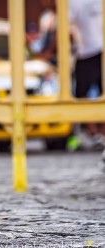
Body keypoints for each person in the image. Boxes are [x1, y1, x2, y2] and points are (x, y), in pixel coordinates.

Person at [70, 0, 105, 148]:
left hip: (87, 51)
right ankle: (100, 132)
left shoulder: (73, 2)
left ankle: (93, 132)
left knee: (81, 93)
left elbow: (65, 26)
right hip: (100, 48)